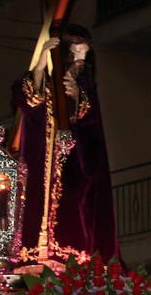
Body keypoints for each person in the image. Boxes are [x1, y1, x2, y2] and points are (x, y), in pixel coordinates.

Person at [12, 24, 118, 268]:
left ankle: (70, 259)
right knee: (36, 210)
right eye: (76, 53)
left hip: (73, 169)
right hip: (40, 167)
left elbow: (90, 127)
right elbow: (27, 99)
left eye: (85, 55)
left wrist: (78, 99)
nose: (80, 60)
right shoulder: (45, 86)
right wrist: (39, 66)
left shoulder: (86, 91)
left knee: (71, 213)